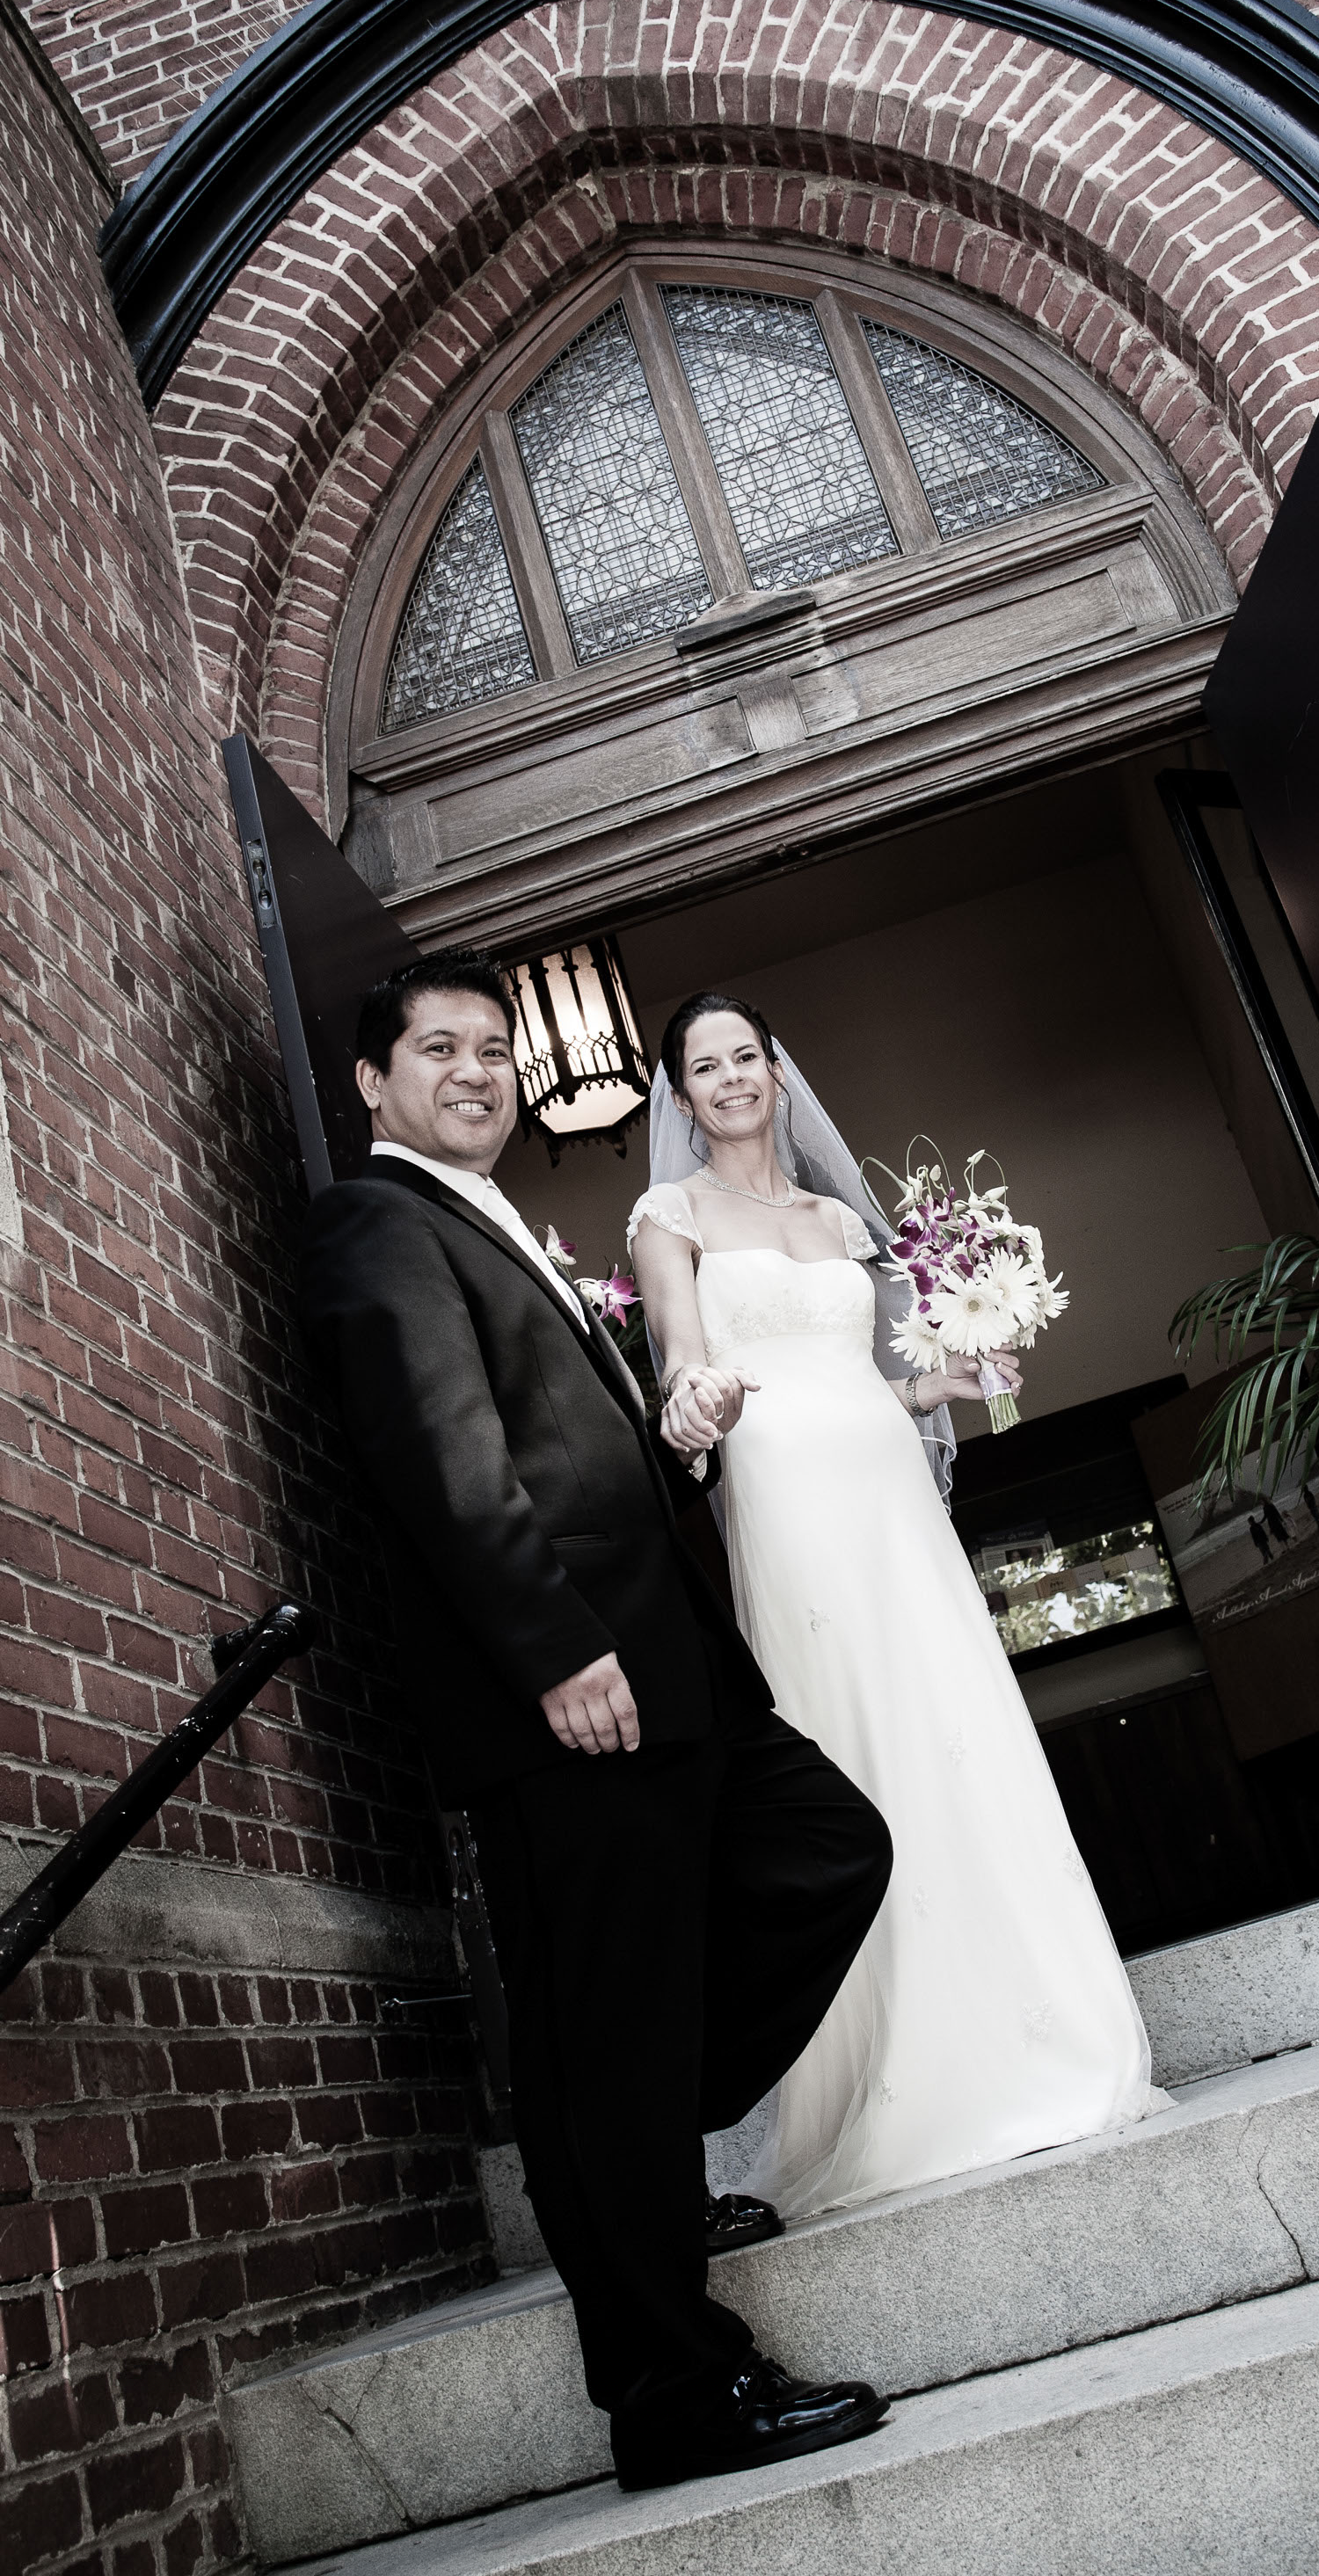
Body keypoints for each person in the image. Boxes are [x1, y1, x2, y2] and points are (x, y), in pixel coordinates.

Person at [296, 950, 894, 2493]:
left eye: (495, 1049)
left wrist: (674, 1442)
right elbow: (438, 1453)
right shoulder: (377, 1223)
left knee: (827, 1852)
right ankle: (676, 2394)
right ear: (373, 1083)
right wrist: (554, 1648)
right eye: (440, 1050)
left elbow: (566, 1437)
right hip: (573, 1693)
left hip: (669, 1671)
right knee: (604, 2034)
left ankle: (637, 2158)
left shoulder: (488, 1217)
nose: (477, 1072)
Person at [628, 993, 1168, 2223]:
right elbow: (680, 1363)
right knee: (853, 1729)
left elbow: (878, 1375)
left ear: (778, 1072)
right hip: (784, 1489)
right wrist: (698, 1404)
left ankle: (1038, 2036)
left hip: (886, 1487)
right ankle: (895, 2072)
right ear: (681, 1095)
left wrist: (954, 1379)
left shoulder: (839, 1220)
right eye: (704, 1067)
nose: (731, 1079)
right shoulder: (671, 1217)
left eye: (747, 1057)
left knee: (947, 1726)